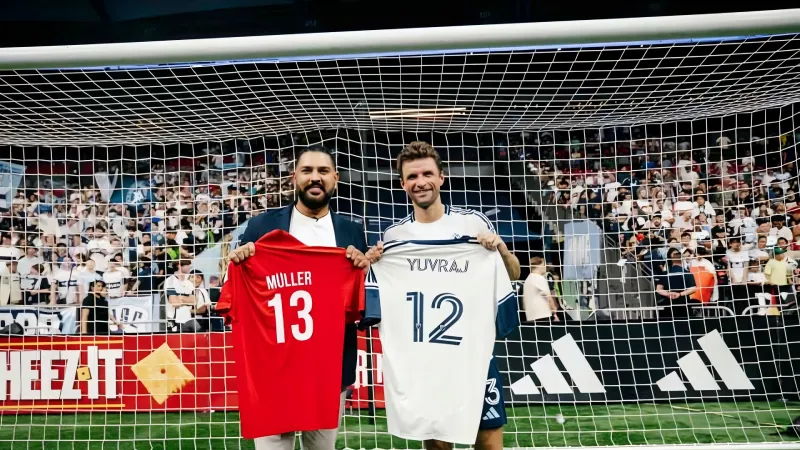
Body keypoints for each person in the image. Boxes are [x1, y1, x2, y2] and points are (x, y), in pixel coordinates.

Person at [364, 141, 521, 450]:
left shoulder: (472, 222)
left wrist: (499, 248)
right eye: (412, 177)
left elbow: (513, 273)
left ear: (441, 177)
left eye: (426, 174)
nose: (420, 182)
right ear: (402, 184)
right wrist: (372, 262)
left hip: (472, 354)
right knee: (436, 444)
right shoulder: (394, 237)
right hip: (425, 360)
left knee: (488, 441)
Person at [227, 145, 369, 450]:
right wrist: (238, 260)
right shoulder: (262, 225)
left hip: (328, 371)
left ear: (336, 178)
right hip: (274, 370)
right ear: (294, 177)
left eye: (322, 171)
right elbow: (237, 286)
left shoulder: (352, 232)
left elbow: (361, 301)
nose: (315, 178)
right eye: (307, 171)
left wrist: (364, 266)